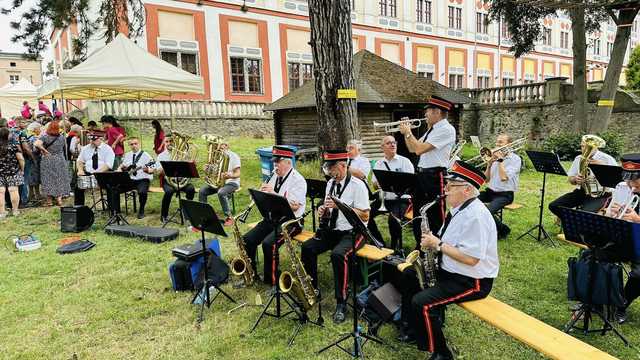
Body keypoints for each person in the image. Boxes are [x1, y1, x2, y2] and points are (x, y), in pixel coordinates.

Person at [397, 161, 498, 360]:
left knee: (422, 303)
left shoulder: (476, 216)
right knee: (409, 274)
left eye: (451, 186)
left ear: (467, 190)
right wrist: (431, 243)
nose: (445, 189)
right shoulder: (458, 209)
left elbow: (471, 259)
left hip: (473, 280)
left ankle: (441, 353)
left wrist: (438, 244)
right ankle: (413, 328)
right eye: (447, 185)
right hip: (452, 270)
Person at [301, 150, 370, 324]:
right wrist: (323, 211)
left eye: (332, 168)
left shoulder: (358, 185)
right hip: (333, 230)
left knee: (338, 255)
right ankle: (312, 290)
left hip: (355, 231)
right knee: (308, 247)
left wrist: (341, 207)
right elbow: (328, 210)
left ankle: (342, 302)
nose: (330, 172)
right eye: (328, 168)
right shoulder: (331, 183)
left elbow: (365, 216)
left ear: (342, 165)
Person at [242, 146, 306, 285]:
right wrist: (259, 196)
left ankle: (272, 280)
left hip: (292, 222)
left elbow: (295, 206)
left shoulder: (298, 180)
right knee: (247, 239)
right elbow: (268, 198)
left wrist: (273, 194)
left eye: (278, 162)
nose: (275, 165)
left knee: (268, 244)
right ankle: (251, 274)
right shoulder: (275, 176)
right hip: (274, 218)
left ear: (288, 162)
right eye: (274, 162)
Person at [399, 96, 456, 250]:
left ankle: (437, 247)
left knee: (435, 214)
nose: (425, 115)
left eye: (427, 112)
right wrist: (406, 134)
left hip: (435, 176)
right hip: (422, 175)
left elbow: (418, 148)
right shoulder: (431, 130)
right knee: (419, 213)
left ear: (437, 112)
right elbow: (412, 149)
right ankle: (421, 246)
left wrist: (409, 132)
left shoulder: (446, 129)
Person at [603, 154, 640, 324]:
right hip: (622, 238)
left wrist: (638, 219)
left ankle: (621, 304)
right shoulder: (622, 186)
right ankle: (594, 299)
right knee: (594, 254)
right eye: (629, 180)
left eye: (635, 180)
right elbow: (610, 213)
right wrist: (613, 212)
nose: (631, 185)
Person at [548, 134, 617, 218]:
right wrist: (575, 179)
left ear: (596, 147)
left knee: (583, 215)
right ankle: (571, 221)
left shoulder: (607, 159)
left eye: (587, 147)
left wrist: (603, 167)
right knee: (554, 206)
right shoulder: (579, 158)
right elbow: (571, 179)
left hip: (602, 195)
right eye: (582, 146)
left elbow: (616, 181)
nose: (584, 149)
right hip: (582, 191)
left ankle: (577, 220)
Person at [368, 135, 415, 250]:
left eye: (394, 142)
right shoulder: (379, 163)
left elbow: (411, 183)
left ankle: (395, 247)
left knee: (393, 220)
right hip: (385, 199)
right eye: (389, 143)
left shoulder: (405, 161)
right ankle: (378, 242)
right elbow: (374, 184)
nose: (392, 144)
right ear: (382, 147)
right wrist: (377, 184)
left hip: (402, 200)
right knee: (365, 215)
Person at [478, 134, 522, 239]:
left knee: (487, 212)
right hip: (490, 192)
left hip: (505, 195)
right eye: (497, 142)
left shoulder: (515, 159)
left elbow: (504, 178)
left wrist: (500, 161)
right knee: (468, 200)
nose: (497, 144)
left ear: (509, 144)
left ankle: (503, 230)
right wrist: (489, 164)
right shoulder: (493, 158)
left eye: (501, 142)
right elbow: (486, 180)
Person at [198, 140, 241, 225]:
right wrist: (207, 169)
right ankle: (204, 215)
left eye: (222, 145)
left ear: (227, 146)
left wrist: (229, 176)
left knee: (221, 192)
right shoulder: (216, 156)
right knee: (202, 191)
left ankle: (229, 217)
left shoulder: (234, 156)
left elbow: (238, 173)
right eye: (218, 146)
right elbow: (211, 172)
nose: (220, 148)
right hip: (217, 182)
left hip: (231, 182)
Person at [155, 134, 195, 223]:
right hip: (168, 181)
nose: (169, 143)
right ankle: (164, 216)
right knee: (169, 192)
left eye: (171, 141)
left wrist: (191, 164)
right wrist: (167, 167)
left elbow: (190, 169)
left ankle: (187, 212)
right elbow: (158, 172)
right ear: (164, 143)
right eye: (167, 141)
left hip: (181, 180)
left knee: (191, 189)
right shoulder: (161, 156)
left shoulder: (182, 153)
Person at [34, 121, 70, 207]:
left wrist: (44, 150)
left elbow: (37, 144)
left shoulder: (45, 137)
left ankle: (49, 201)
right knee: (59, 178)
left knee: (47, 179)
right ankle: (59, 200)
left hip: (48, 159)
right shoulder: (62, 137)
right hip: (60, 159)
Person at [75, 131, 115, 206]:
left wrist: (97, 174)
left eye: (94, 140)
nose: (91, 142)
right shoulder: (86, 148)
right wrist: (80, 170)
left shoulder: (107, 149)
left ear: (101, 139)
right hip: (88, 173)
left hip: (103, 173)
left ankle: (112, 208)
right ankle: (79, 208)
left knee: (110, 187)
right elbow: (80, 161)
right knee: (78, 187)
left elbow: (108, 165)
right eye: (90, 140)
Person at [118, 137, 154, 219]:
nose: (134, 146)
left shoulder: (146, 155)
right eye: (131, 144)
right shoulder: (127, 155)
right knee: (115, 189)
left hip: (142, 179)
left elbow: (152, 169)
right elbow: (123, 165)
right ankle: (117, 212)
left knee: (142, 192)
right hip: (130, 180)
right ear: (129, 145)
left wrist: (147, 170)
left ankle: (141, 210)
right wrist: (119, 169)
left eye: (135, 143)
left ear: (139, 144)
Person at [0, 127, 25, 218]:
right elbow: (21, 159)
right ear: (7, 135)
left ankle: (2, 213)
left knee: (0, 192)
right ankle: (15, 211)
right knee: (13, 190)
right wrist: (22, 169)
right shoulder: (13, 147)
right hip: (13, 171)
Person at [25, 122, 42, 203]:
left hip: (29, 159)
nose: (40, 130)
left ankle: (31, 194)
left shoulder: (28, 136)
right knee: (35, 176)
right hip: (35, 159)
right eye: (39, 128)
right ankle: (37, 194)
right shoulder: (34, 138)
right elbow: (35, 149)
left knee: (31, 176)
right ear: (35, 129)